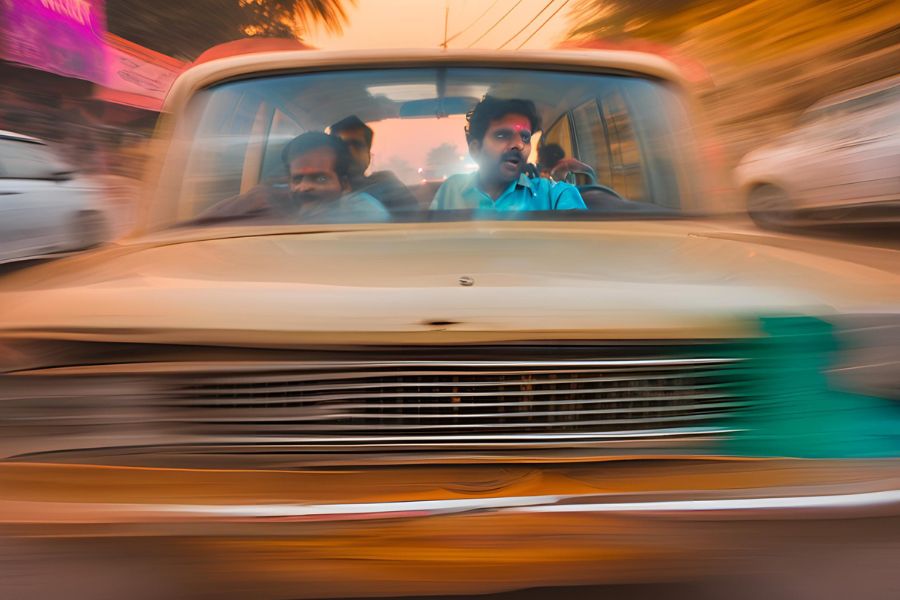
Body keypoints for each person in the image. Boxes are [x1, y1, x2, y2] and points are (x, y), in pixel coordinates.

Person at [430, 96, 586, 212]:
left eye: (525, 138)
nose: (519, 145)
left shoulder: (555, 196)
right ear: (475, 149)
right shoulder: (451, 190)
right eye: (502, 135)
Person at [198, 132, 389, 224]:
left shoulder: (367, 215)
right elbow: (202, 227)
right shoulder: (265, 201)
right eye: (297, 179)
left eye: (320, 179)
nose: (303, 187)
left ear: (345, 185)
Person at [329, 115, 419, 216]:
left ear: (368, 155)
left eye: (357, 145)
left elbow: (413, 219)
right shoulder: (321, 189)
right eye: (342, 146)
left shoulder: (389, 187)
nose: (350, 152)